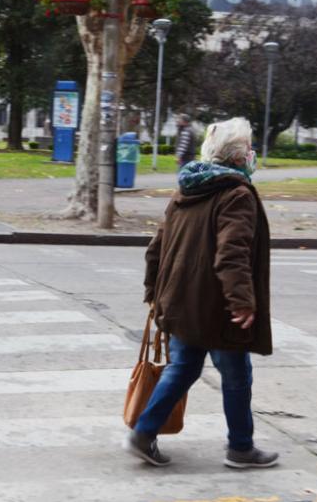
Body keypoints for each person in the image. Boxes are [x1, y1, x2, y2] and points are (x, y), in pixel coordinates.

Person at [124, 117, 278, 469]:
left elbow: (156, 247)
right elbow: (232, 254)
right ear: (239, 157)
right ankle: (241, 447)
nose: (253, 155)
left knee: (184, 367)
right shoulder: (237, 195)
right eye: (250, 149)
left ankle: (143, 433)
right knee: (237, 374)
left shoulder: (187, 189)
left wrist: (153, 290)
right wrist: (241, 301)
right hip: (217, 307)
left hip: (181, 302)